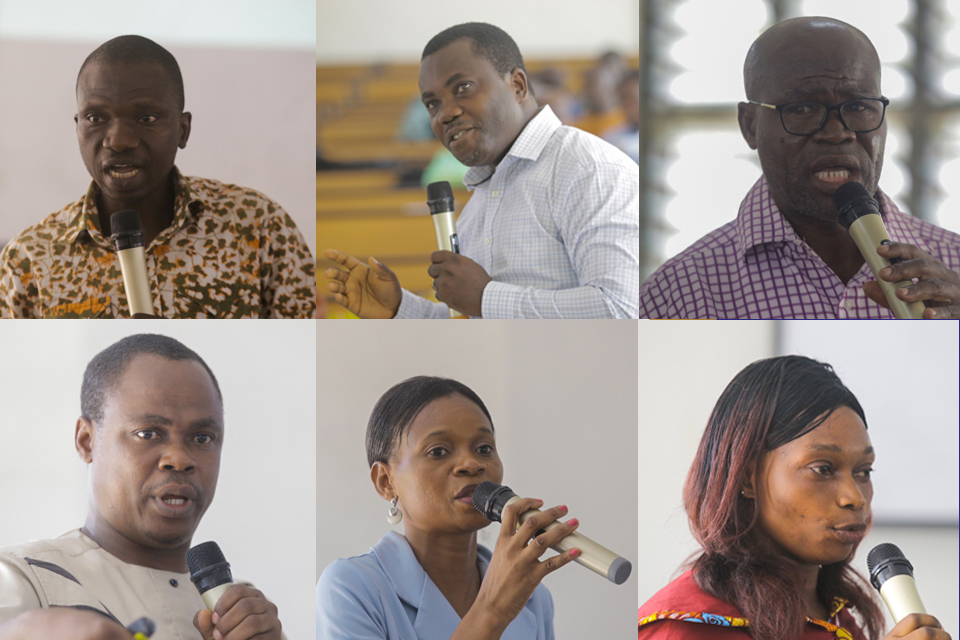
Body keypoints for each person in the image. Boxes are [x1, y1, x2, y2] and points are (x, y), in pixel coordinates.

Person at [639, 17, 960, 319]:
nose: (837, 133)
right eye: (803, 108)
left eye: (859, 106)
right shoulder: (676, 294)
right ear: (750, 126)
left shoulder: (953, 263)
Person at [324, 22, 639, 319]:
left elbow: (622, 308)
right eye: (432, 104)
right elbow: (473, 318)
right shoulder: (481, 201)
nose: (445, 114)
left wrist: (486, 296)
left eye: (462, 88)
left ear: (517, 85)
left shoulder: (587, 168)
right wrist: (400, 307)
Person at [0, 35, 316, 319]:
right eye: (96, 118)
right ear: (78, 126)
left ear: (183, 129)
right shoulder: (29, 257)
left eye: (146, 118)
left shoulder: (257, 225)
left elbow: (306, 358)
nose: (119, 140)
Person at [637, 356, 950, 640]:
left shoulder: (838, 619)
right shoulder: (683, 628)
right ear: (747, 477)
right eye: (823, 469)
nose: (855, 498)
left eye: (864, 471)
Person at [0, 334, 283, 640]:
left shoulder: (244, 614)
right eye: (148, 433)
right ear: (86, 441)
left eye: (202, 438)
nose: (179, 459)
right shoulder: (25, 580)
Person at [316, 376, 581, 639]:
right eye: (439, 451)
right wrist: (493, 610)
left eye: (484, 448)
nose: (472, 463)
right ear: (386, 482)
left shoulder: (533, 599)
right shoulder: (352, 588)